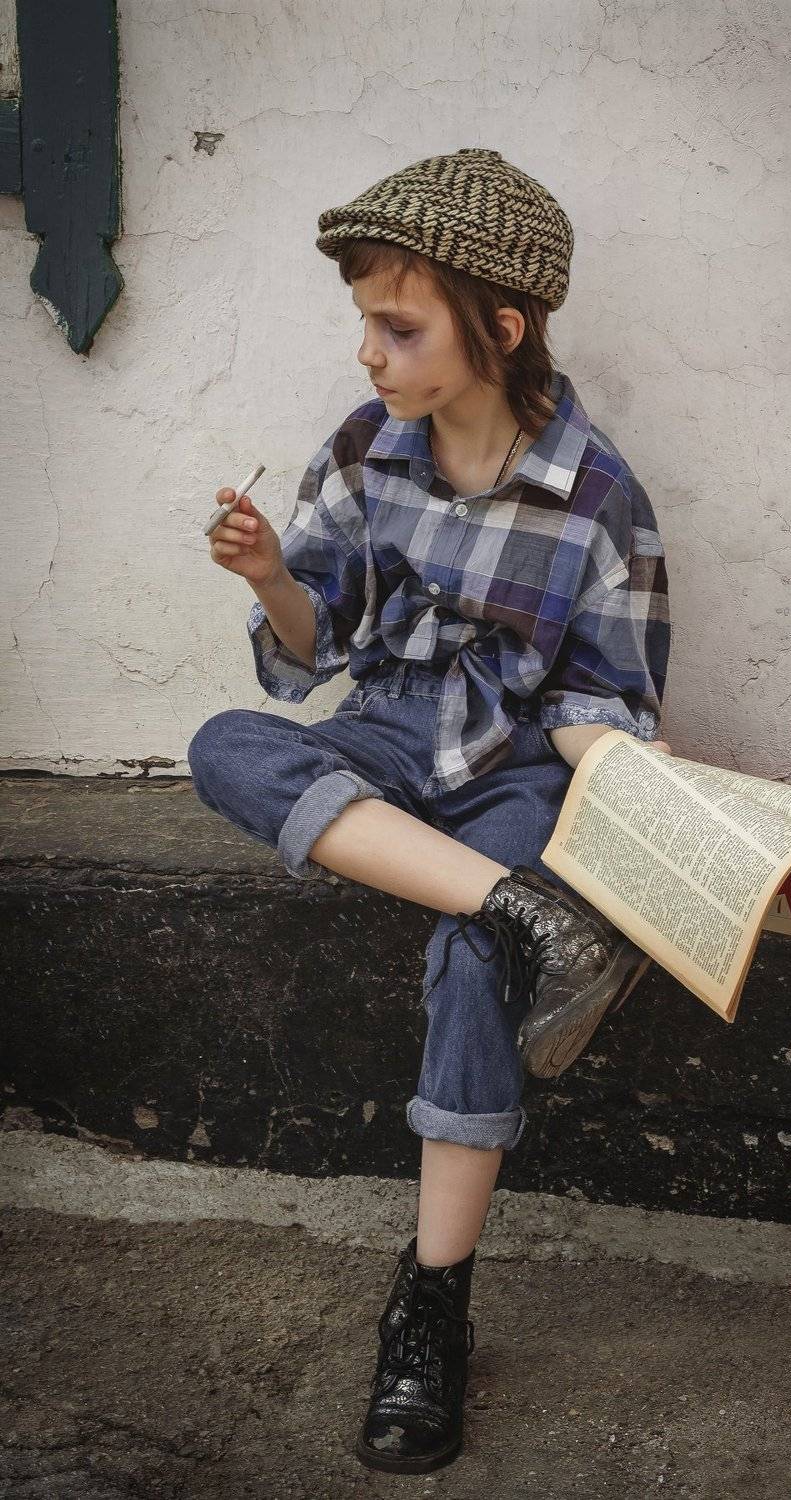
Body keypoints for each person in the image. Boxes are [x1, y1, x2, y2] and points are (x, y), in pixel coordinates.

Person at [186, 146, 672, 1475]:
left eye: (398, 328)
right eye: (365, 323)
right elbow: (312, 653)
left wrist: (657, 793)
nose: (369, 354)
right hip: (388, 740)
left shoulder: (599, 500)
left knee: (474, 958)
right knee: (226, 746)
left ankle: (434, 1299)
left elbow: (605, 702)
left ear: (500, 330)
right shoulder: (365, 451)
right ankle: (533, 914)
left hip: (516, 770)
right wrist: (273, 574)